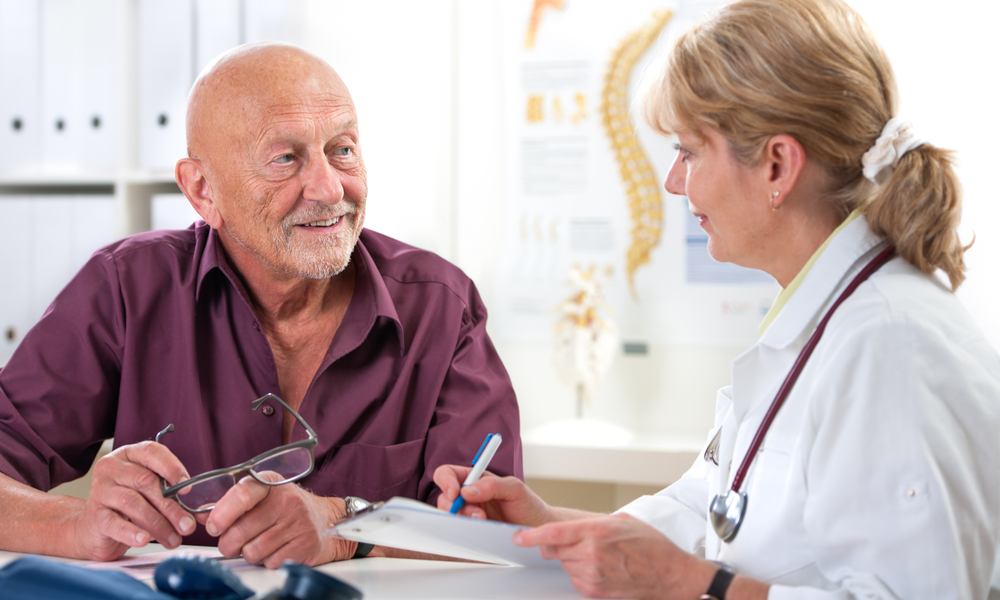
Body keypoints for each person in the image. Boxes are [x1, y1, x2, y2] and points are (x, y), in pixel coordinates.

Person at [435, 0, 1000, 597]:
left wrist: (689, 584)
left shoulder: (890, 344)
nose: (673, 181)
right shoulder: (815, 321)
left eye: (688, 151)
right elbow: (714, 513)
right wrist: (547, 530)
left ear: (778, 165)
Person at [0, 42, 522, 568]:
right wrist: (77, 526)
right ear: (202, 190)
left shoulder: (441, 306)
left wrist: (347, 526)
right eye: (286, 158)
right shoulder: (126, 289)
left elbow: (491, 530)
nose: (328, 188)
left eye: (342, 149)